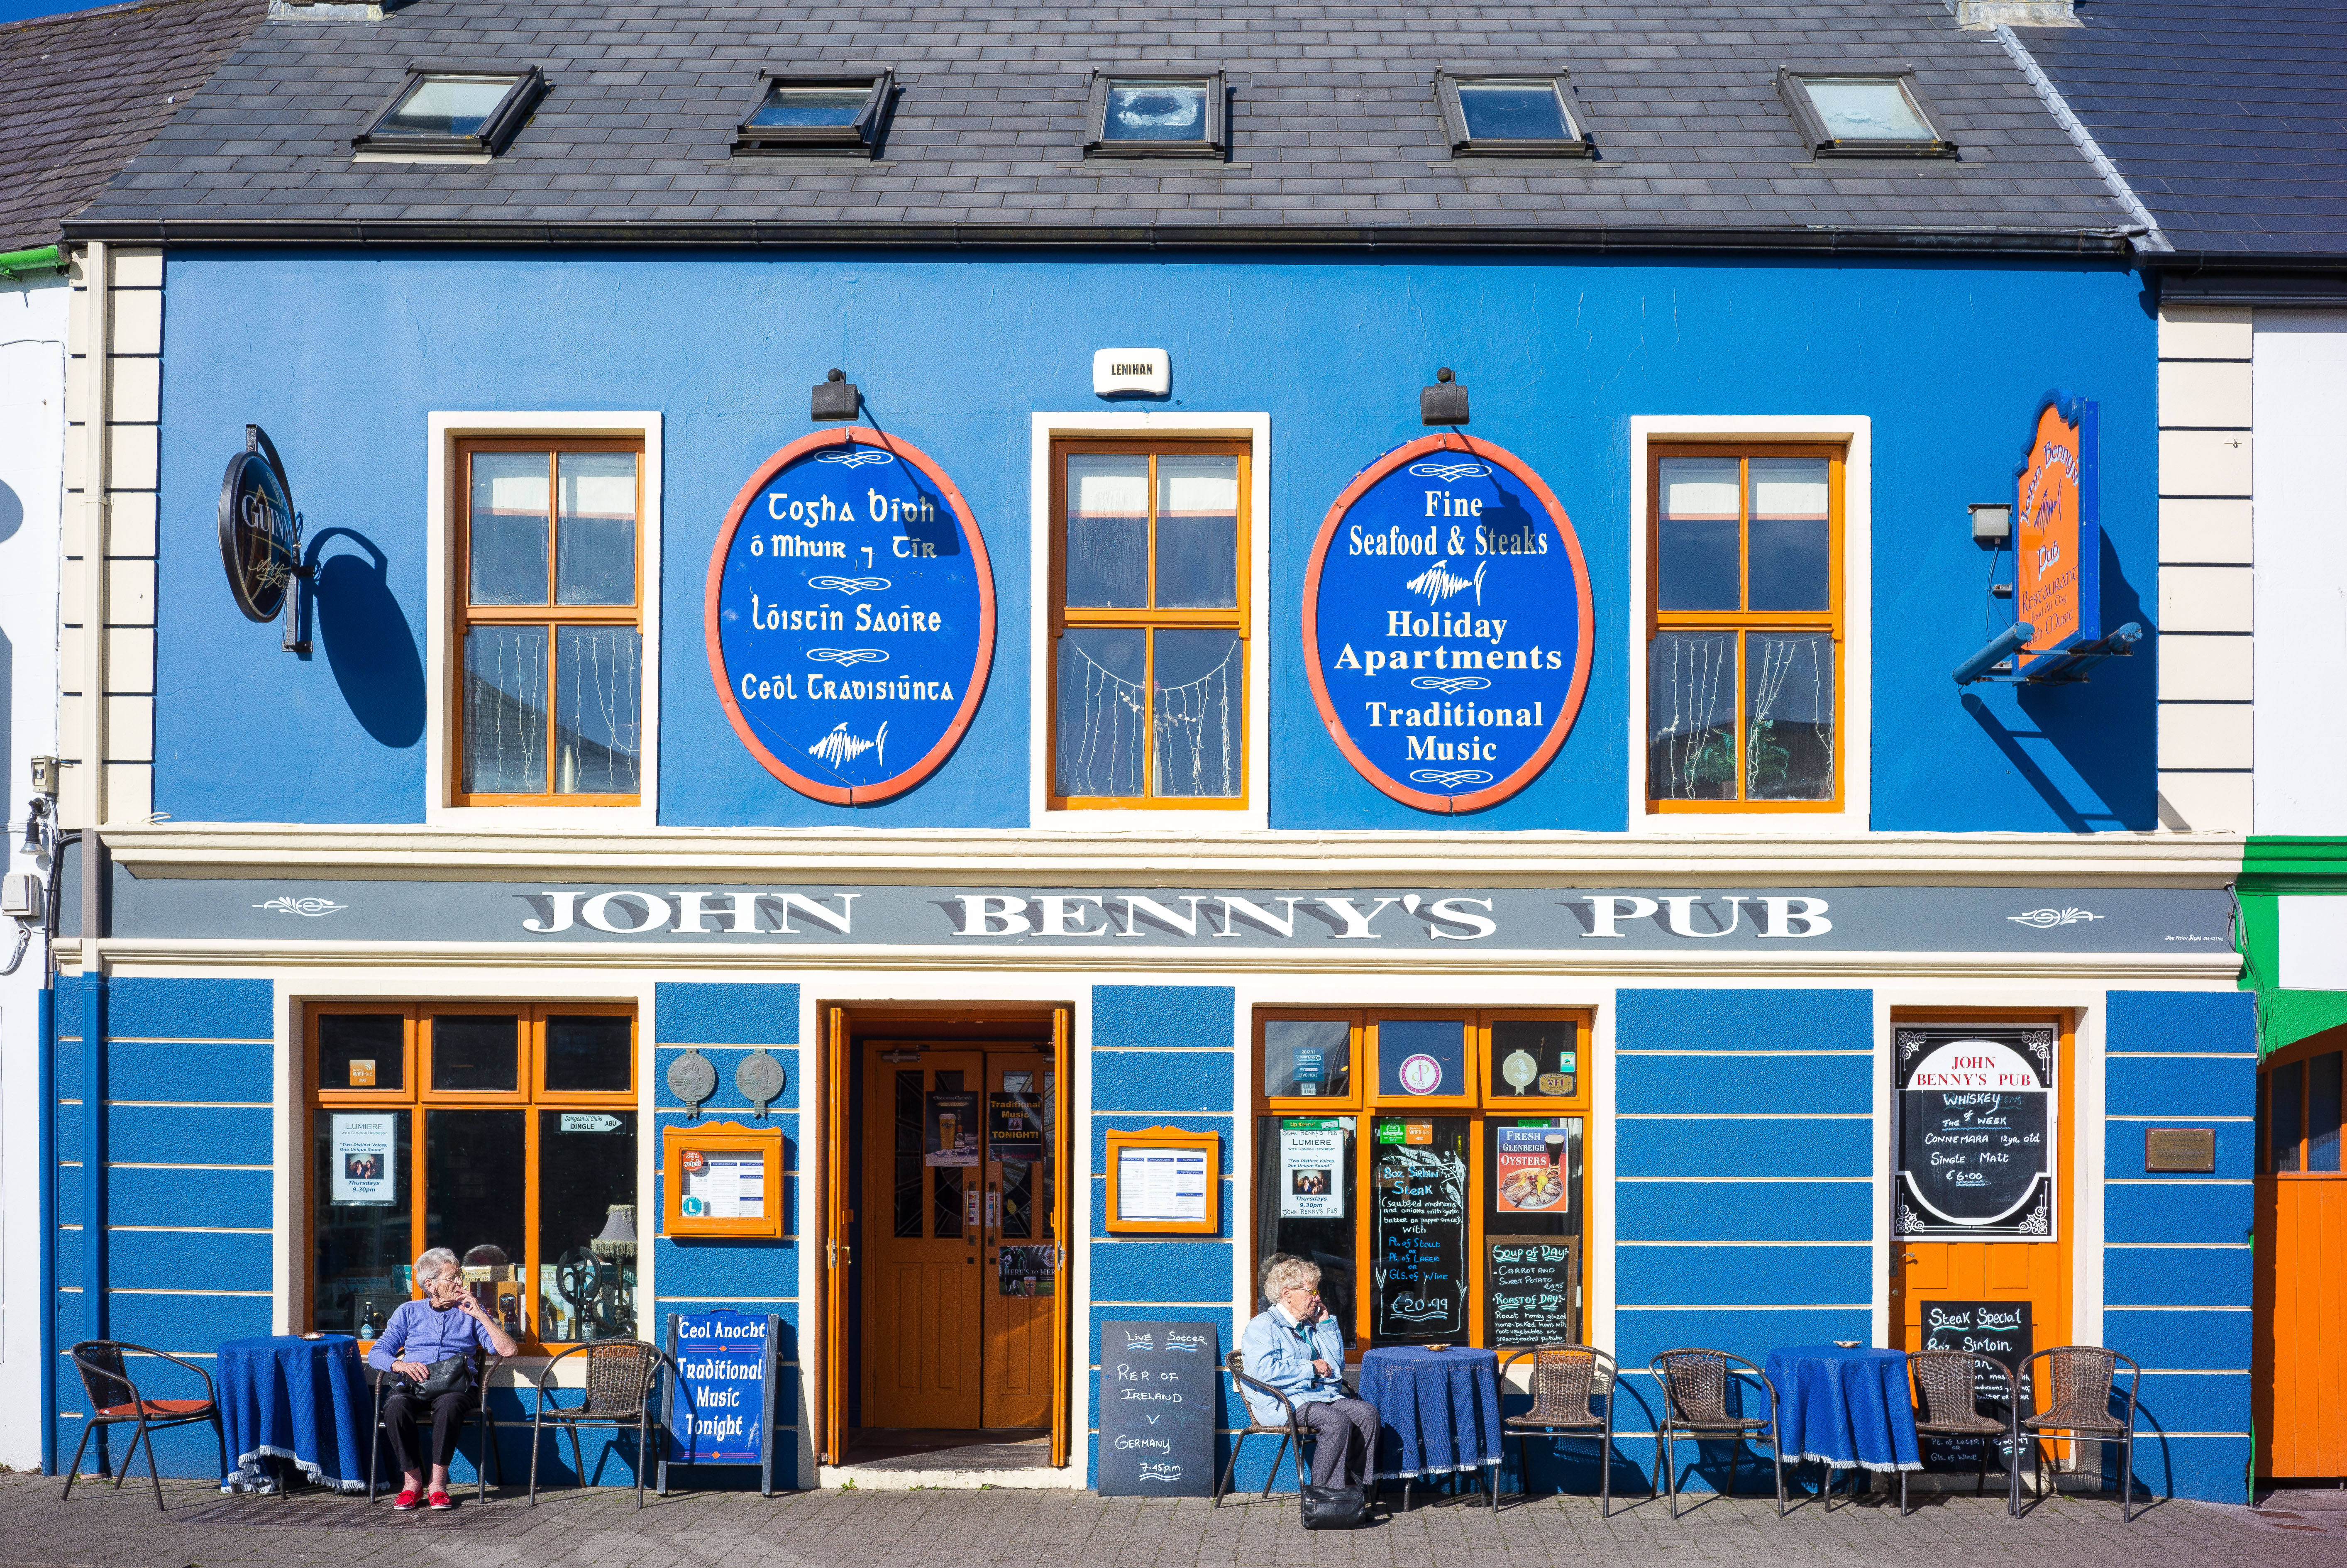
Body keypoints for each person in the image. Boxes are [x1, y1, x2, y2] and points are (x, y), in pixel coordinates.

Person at [367, 1247, 519, 1511]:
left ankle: (438, 1485)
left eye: (460, 1276)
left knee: (450, 1405)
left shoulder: (471, 1313)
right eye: (453, 1278)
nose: (460, 1283)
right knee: (394, 1406)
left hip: (457, 1388)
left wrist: (481, 1314)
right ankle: (412, 1483)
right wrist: (399, 1364)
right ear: (431, 1285)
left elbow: (508, 1350)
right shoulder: (409, 1312)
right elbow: (377, 1353)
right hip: (415, 1385)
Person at [1238, 1257, 1378, 1491]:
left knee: (1367, 1413)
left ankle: (1356, 1490)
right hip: (1283, 1401)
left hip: (1319, 1397)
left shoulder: (1309, 1326)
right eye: (1311, 1291)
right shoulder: (1263, 1326)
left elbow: (1336, 1366)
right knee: (1336, 1422)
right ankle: (1326, 1495)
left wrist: (1325, 1325)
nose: (1317, 1297)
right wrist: (1311, 1368)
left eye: (1317, 1290)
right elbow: (1263, 1371)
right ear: (1287, 1293)